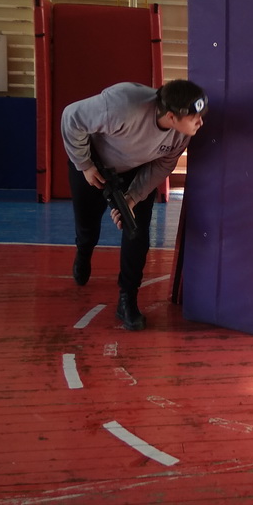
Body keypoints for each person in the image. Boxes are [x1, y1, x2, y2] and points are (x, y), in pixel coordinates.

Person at [60, 79, 207, 331]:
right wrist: (84, 164)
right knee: (87, 224)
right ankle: (84, 251)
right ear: (171, 116)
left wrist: (132, 198)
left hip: (136, 171)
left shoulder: (182, 134)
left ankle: (127, 298)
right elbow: (71, 117)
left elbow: (162, 166)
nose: (200, 123)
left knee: (136, 232)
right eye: (194, 118)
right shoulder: (123, 104)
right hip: (93, 162)